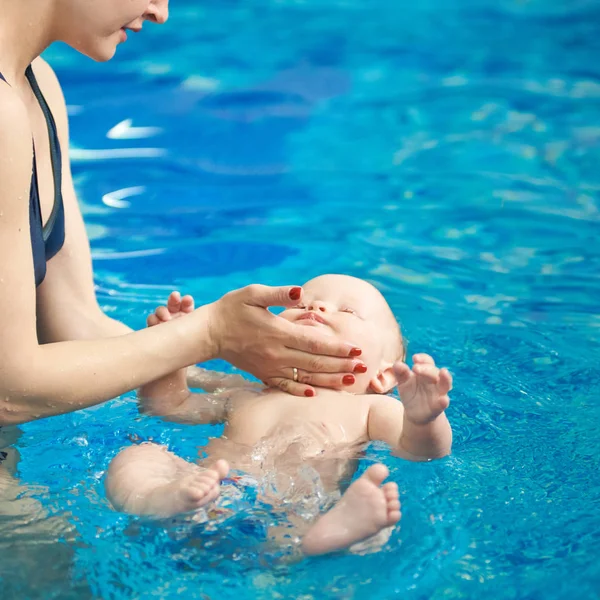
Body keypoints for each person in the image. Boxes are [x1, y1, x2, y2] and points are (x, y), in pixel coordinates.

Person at [0, 0, 367, 435]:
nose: (161, 11)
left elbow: (75, 322)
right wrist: (210, 333)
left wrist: (256, 388)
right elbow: (10, 390)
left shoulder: (36, 84)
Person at [105, 274, 453, 556]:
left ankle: (322, 537)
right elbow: (166, 408)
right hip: (213, 491)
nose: (316, 305)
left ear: (383, 375)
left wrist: (424, 419)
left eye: (347, 311)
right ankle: (161, 497)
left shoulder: (369, 406)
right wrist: (172, 350)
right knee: (139, 455)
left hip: (289, 507)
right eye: (302, 300)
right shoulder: (246, 392)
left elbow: (420, 451)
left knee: (341, 526)